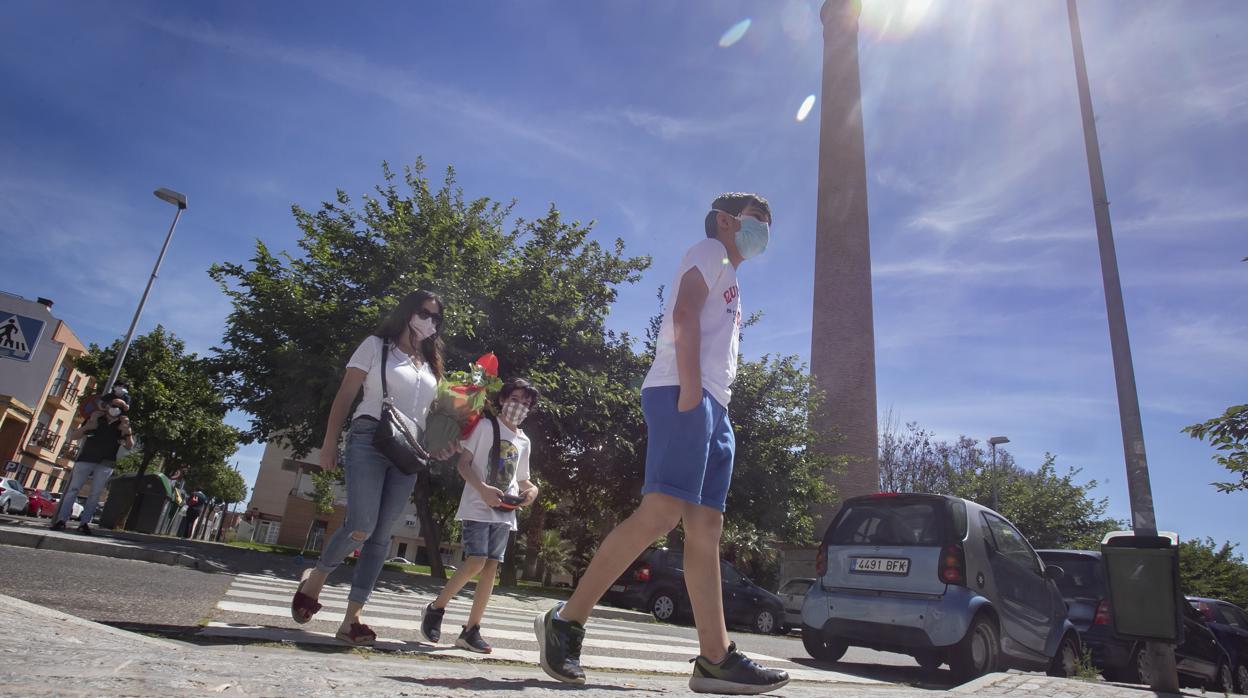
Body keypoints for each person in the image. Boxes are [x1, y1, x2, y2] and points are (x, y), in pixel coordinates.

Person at [534, 193, 788, 694]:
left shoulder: (731, 277)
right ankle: (566, 621)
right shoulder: (707, 252)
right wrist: (691, 391)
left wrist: (710, 403)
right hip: (683, 391)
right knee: (660, 515)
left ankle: (715, 660)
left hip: (716, 405)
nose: (764, 231)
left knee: (706, 528)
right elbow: (684, 315)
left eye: (768, 225)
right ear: (725, 221)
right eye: (757, 221)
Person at [289, 290, 451, 647]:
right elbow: (345, 394)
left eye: (436, 318)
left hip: (409, 451)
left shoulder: (430, 365)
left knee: (381, 537)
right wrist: (329, 443)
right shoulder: (376, 346)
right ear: (408, 311)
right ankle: (316, 579)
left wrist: (445, 444)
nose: (430, 322)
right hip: (369, 437)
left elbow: (432, 418)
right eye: (425, 313)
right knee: (361, 524)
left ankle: (352, 619)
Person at [421, 378, 541, 653]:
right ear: (502, 399)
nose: (520, 407)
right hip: (477, 505)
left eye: (526, 403)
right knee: (476, 561)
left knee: (490, 569)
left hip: (504, 512)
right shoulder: (486, 427)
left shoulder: (524, 440)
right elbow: (463, 465)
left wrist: (532, 490)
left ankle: (471, 629)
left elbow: (523, 479)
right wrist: (483, 489)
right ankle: (436, 608)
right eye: (516, 399)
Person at [51, 395, 134, 534]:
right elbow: (74, 436)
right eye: (114, 405)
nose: (116, 409)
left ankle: (84, 524)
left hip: (106, 462)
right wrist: (88, 427)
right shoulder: (95, 418)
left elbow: (129, 446)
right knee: (73, 490)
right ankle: (61, 521)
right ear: (107, 406)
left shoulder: (122, 425)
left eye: (120, 407)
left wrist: (128, 433)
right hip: (86, 458)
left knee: (95, 494)